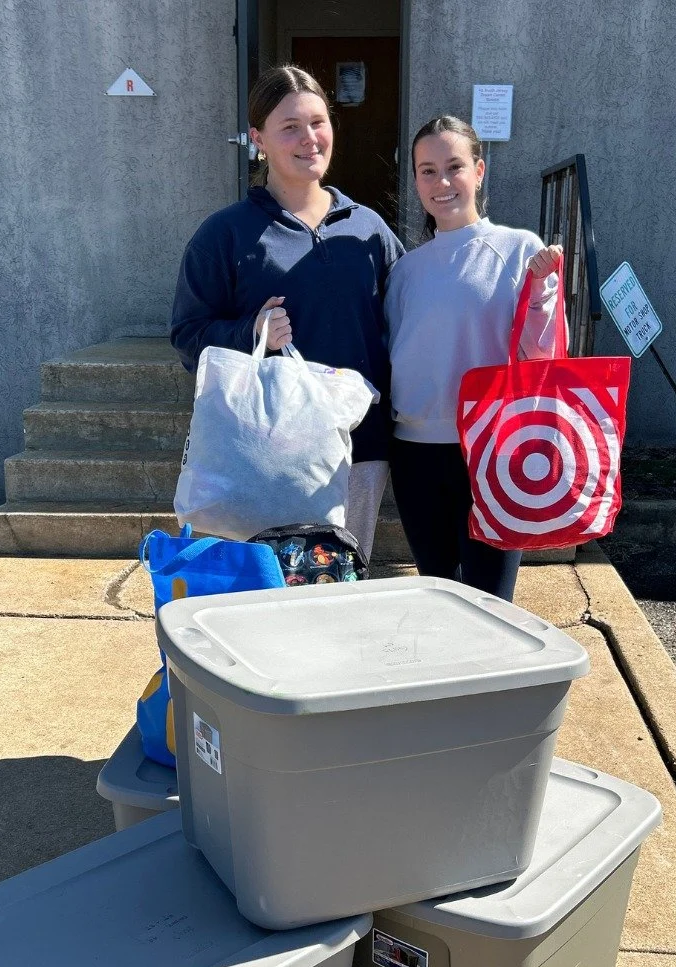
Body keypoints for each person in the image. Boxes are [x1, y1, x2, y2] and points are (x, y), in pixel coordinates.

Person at [170, 66, 403, 561]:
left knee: (341, 584)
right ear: (258, 139)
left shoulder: (368, 228)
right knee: (267, 593)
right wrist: (248, 332)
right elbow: (188, 336)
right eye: (290, 127)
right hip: (264, 450)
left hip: (359, 447)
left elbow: (410, 320)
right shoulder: (225, 234)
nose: (309, 138)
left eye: (318, 122)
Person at [384, 115, 563, 599]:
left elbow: (540, 355)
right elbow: (394, 355)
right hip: (415, 453)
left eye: (454, 167)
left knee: (492, 603)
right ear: (416, 180)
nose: (441, 182)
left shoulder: (519, 248)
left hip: (493, 447)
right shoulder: (405, 271)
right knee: (440, 597)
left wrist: (543, 290)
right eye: (427, 171)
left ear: (479, 171)